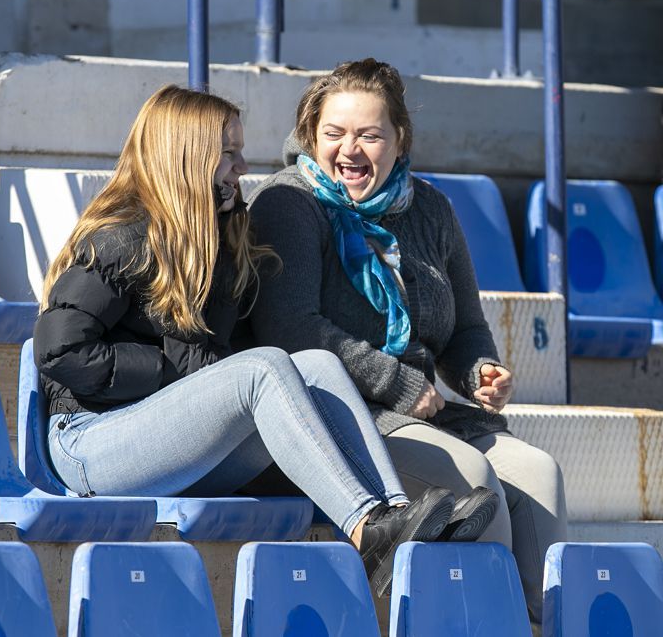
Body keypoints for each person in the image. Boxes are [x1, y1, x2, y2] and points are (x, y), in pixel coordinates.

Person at [33, 84, 494, 597]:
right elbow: (58, 350)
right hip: (90, 441)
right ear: (188, 158)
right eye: (227, 154)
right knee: (263, 367)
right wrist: (169, 370)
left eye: (240, 153)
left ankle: (396, 515)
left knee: (316, 365)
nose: (241, 168)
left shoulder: (221, 237)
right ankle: (368, 531)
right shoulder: (121, 235)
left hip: (169, 442)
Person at [248, 58, 566, 621]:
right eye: (335, 133)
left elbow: (464, 329)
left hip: (426, 413)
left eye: (370, 134)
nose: (351, 149)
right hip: (339, 413)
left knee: (540, 475)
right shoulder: (289, 203)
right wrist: (397, 383)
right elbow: (291, 328)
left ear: (399, 140)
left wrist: (479, 372)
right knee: (473, 481)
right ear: (310, 136)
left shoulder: (432, 209)